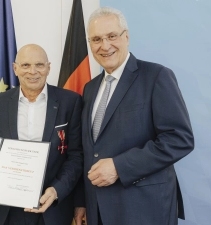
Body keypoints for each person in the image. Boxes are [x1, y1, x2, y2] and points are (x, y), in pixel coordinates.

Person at [81, 7, 194, 225]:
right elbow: (90, 151)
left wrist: (119, 167)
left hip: (144, 209)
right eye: (96, 39)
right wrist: (82, 203)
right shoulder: (89, 88)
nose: (105, 46)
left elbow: (180, 139)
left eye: (111, 36)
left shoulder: (157, 76)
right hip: (98, 210)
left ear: (126, 37)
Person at [0, 44, 85, 225]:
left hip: (53, 208)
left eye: (39, 65)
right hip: (8, 209)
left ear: (48, 68)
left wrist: (56, 190)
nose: (32, 71)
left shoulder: (70, 101)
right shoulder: (0, 102)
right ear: (15, 68)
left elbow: (76, 156)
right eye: (25, 65)